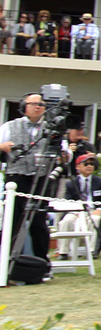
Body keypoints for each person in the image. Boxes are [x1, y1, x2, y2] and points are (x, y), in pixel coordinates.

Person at [0, 92, 58, 267]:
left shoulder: (52, 128)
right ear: (23, 107)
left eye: (41, 104)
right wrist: (2, 147)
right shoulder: (10, 126)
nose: (38, 106)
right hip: (16, 178)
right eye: (33, 103)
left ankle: (41, 264)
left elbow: (65, 155)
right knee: (13, 221)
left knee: (39, 222)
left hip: (41, 179)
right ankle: (5, 264)